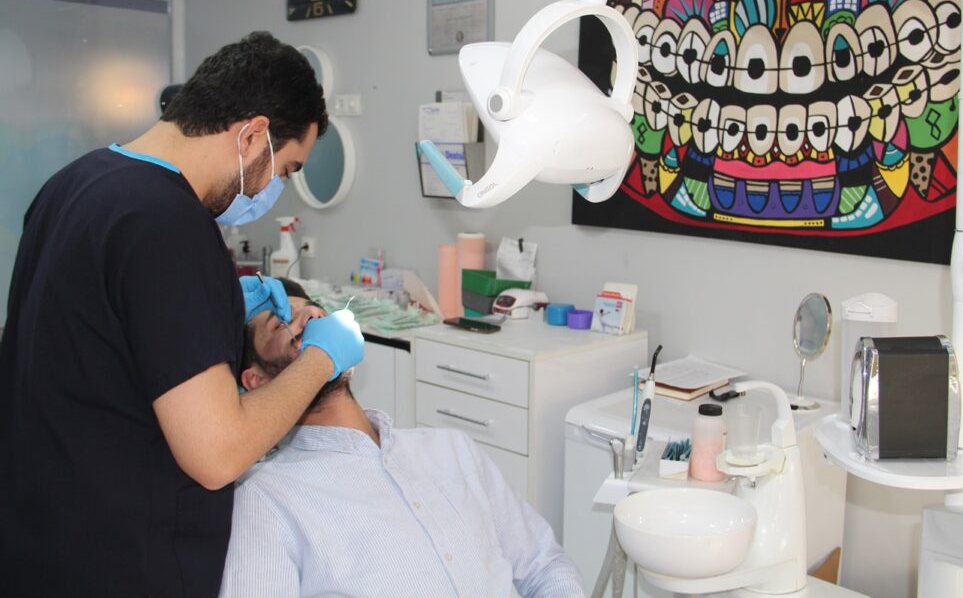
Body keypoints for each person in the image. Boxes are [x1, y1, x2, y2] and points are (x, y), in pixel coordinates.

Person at [0, 32, 365, 597]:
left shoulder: (74, 184)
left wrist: (220, 301)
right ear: (253, 134)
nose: (275, 187)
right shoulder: (171, 224)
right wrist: (321, 359)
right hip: (118, 562)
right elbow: (217, 453)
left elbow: (97, 331)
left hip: (38, 542)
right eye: (285, 170)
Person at [220, 280, 587, 598]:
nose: (311, 317)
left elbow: (545, 566)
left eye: (313, 309)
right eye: (282, 323)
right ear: (256, 381)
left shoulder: (452, 449)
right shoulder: (266, 499)